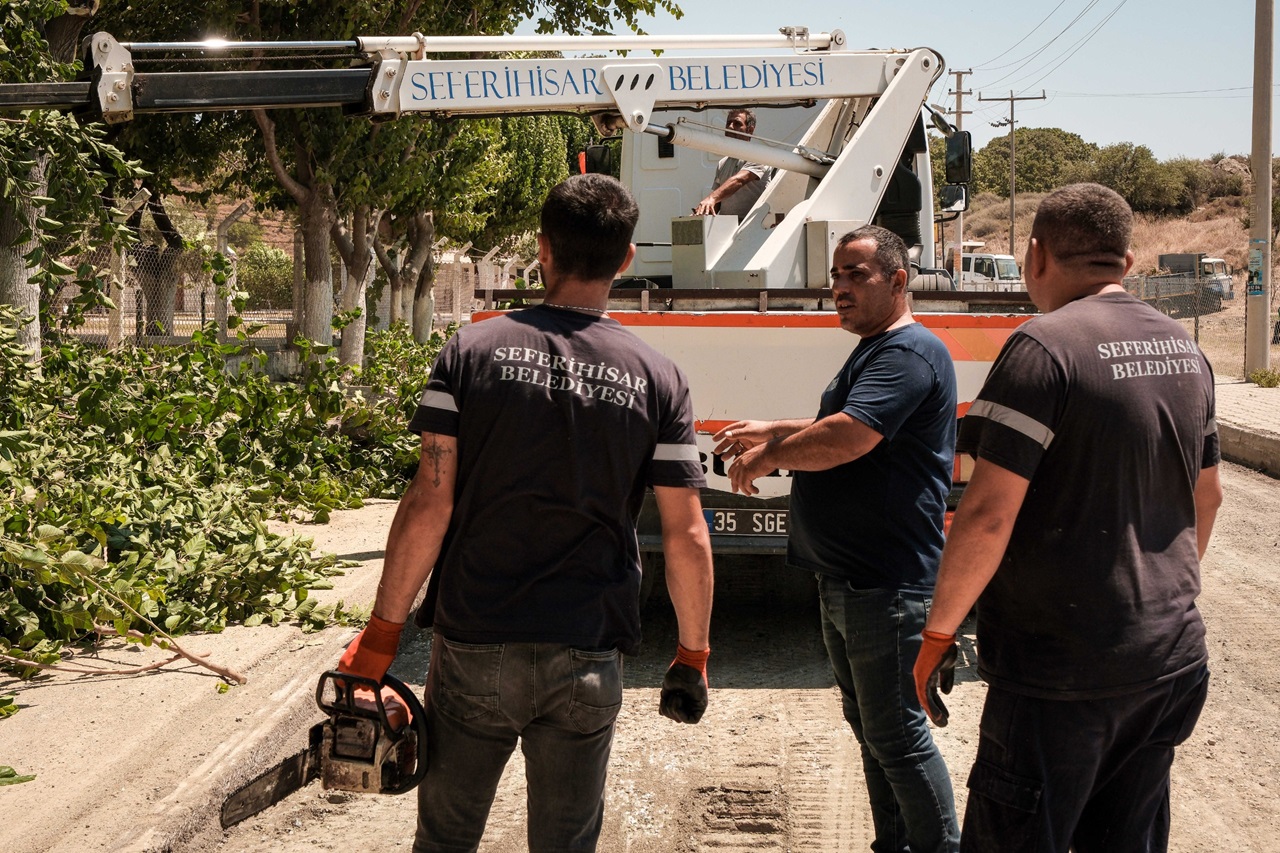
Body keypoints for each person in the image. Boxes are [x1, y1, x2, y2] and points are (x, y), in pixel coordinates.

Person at [337, 173, 715, 853]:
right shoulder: (660, 377)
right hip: (587, 651)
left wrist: (381, 638)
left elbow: (430, 500)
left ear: (542, 248)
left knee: (445, 839)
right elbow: (686, 531)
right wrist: (692, 652)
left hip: (477, 642)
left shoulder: (471, 352)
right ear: (626, 258)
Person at [914, 183, 1223, 853]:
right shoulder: (1184, 349)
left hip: (1062, 671)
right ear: (1128, 260)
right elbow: (1209, 499)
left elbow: (988, 517)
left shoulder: (1042, 350)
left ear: (1035, 255)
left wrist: (936, 636)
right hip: (1169, 660)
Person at [714, 224, 960, 853]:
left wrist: (771, 455)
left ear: (898, 281)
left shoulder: (905, 354)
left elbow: (852, 435)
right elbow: (846, 420)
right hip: (851, 581)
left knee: (898, 736)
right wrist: (777, 426)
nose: (840, 289)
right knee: (875, 731)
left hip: (886, 582)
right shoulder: (877, 349)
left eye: (857, 275)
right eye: (835, 276)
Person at [693, 108, 773, 220]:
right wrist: (701, 214)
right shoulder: (723, 162)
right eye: (728, 123)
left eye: (737, 123)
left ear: (750, 130)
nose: (730, 127)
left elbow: (739, 180)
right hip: (727, 229)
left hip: (752, 229)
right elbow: (717, 202)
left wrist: (711, 198)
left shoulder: (760, 156)